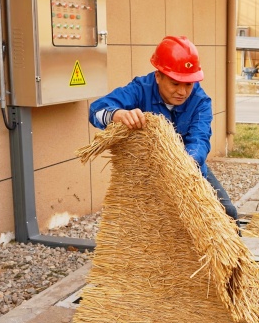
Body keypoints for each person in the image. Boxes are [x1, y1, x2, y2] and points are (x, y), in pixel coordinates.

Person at [89, 35, 239, 224]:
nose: (182, 92)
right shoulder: (139, 89)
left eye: (188, 84)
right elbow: (96, 111)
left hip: (189, 172)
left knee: (227, 212)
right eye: (175, 83)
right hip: (145, 175)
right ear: (158, 76)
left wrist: (181, 168)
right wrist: (116, 114)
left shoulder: (200, 101)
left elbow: (199, 141)